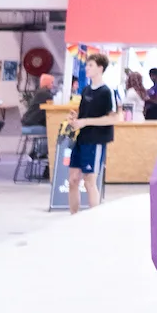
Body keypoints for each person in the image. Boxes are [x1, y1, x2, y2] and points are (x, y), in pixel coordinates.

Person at [67, 52, 115, 213]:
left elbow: (112, 118)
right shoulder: (86, 90)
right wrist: (75, 118)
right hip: (81, 139)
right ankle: (73, 217)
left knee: (89, 182)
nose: (86, 68)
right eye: (87, 65)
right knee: (73, 180)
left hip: (95, 140)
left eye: (90, 65)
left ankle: (95, 220)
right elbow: (83, 114)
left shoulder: (107, 92)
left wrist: (86, 122)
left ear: (100, 68)